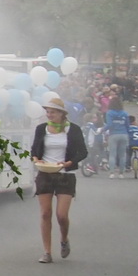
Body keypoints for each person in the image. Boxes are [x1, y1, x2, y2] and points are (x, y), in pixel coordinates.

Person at [30, 93, 86, 263]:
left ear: (62, 114)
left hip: (65, 175)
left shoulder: (73, 129)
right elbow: (34, 150)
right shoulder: (41, 129)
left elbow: (83, 152)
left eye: (53, 112)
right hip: (45, 173)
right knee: (46, 213)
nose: (49, 115)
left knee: (61, 215)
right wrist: (35, 159)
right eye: (47, 112)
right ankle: (47, 252)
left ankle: (64, 239)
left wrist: (70, 162)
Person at [106, 99, 132, 175]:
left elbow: (109, 125)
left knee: (112, 154)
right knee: (122, 155)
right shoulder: (125, 113)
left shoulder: (109, 113)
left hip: (113, 134)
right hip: (124, 134)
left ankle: (112, 172)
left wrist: (103, 129)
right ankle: (121, 173)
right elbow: (127, 125)